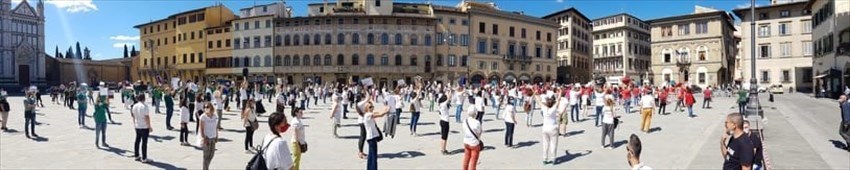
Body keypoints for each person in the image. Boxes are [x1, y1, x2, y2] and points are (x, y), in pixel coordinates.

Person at [534, 89, 562, 165]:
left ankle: (545, 159)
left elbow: (539, 101)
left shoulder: (544, 108)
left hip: (545, 128)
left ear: (546, 103)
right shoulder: (554, 108)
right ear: (553, 103)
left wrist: (535, 93)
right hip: (553, 127)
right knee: (554, 144)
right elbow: (558, 100)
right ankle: (553, 159)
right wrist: (560, 92)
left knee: (545, 144)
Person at [362, 100, 390, 170]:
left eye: (372, 106)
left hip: (371, 137)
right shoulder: (368, 115)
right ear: (366, 108)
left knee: (371, 155)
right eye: (370, 107)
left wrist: (385, 108)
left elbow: (379, 112)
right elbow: (380, 115)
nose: (372, 108)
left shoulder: (369, 114)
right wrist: (387, 110)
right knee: (374, 156)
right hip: (372, 137)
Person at [131, 94, 153, 163]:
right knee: (144, 142)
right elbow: (147, 117)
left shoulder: (134, 106)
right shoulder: (145, 106)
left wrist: (134, 124)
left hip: (137, 126)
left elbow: (133, 116)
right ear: (144, 98)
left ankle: (136, 155)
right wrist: (149, 126)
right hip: (144, 126)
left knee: (137, 141)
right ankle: (144, 157)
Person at [200, 103, 219, 170]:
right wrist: (204, 138)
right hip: (207, 138)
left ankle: (206, 167)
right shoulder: (203, 117)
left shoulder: (214, 116)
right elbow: (201, 129)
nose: (206, 108)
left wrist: (217, 136)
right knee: (206, 156)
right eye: (205, 107)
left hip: (213, 137)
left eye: (207, 107)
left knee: (212, 154)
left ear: (211, 107)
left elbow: (216, 127)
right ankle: (205, 168)